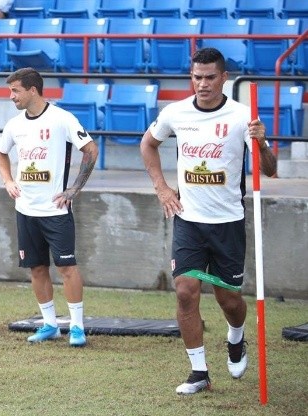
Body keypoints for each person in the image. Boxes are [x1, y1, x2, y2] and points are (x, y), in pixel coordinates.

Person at [140, 47, 277, 395]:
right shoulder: (175, 112)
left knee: (228, 300)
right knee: (186, 291)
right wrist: (162, 189)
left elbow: (270, 170)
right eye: (197, 77)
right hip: (189, 220)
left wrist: (261, 145)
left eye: (210, 77)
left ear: (224, 78)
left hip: (228, 222)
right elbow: (148, 144)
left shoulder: (243, 116)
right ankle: (198, 371)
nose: (202, 84)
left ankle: (236, 337)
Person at [0, 68, 98, 348]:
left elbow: (90, 149)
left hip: (55, 211)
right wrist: (7, 180)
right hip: (25, 210)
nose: (11, 96)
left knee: (67, 267)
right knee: (36, 268)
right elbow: (1, 152)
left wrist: (74, 189)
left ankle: (77, 327)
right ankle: (50, 325)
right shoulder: (14, 124)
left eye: (15, 90)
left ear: (32, 90)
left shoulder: (62, 119)